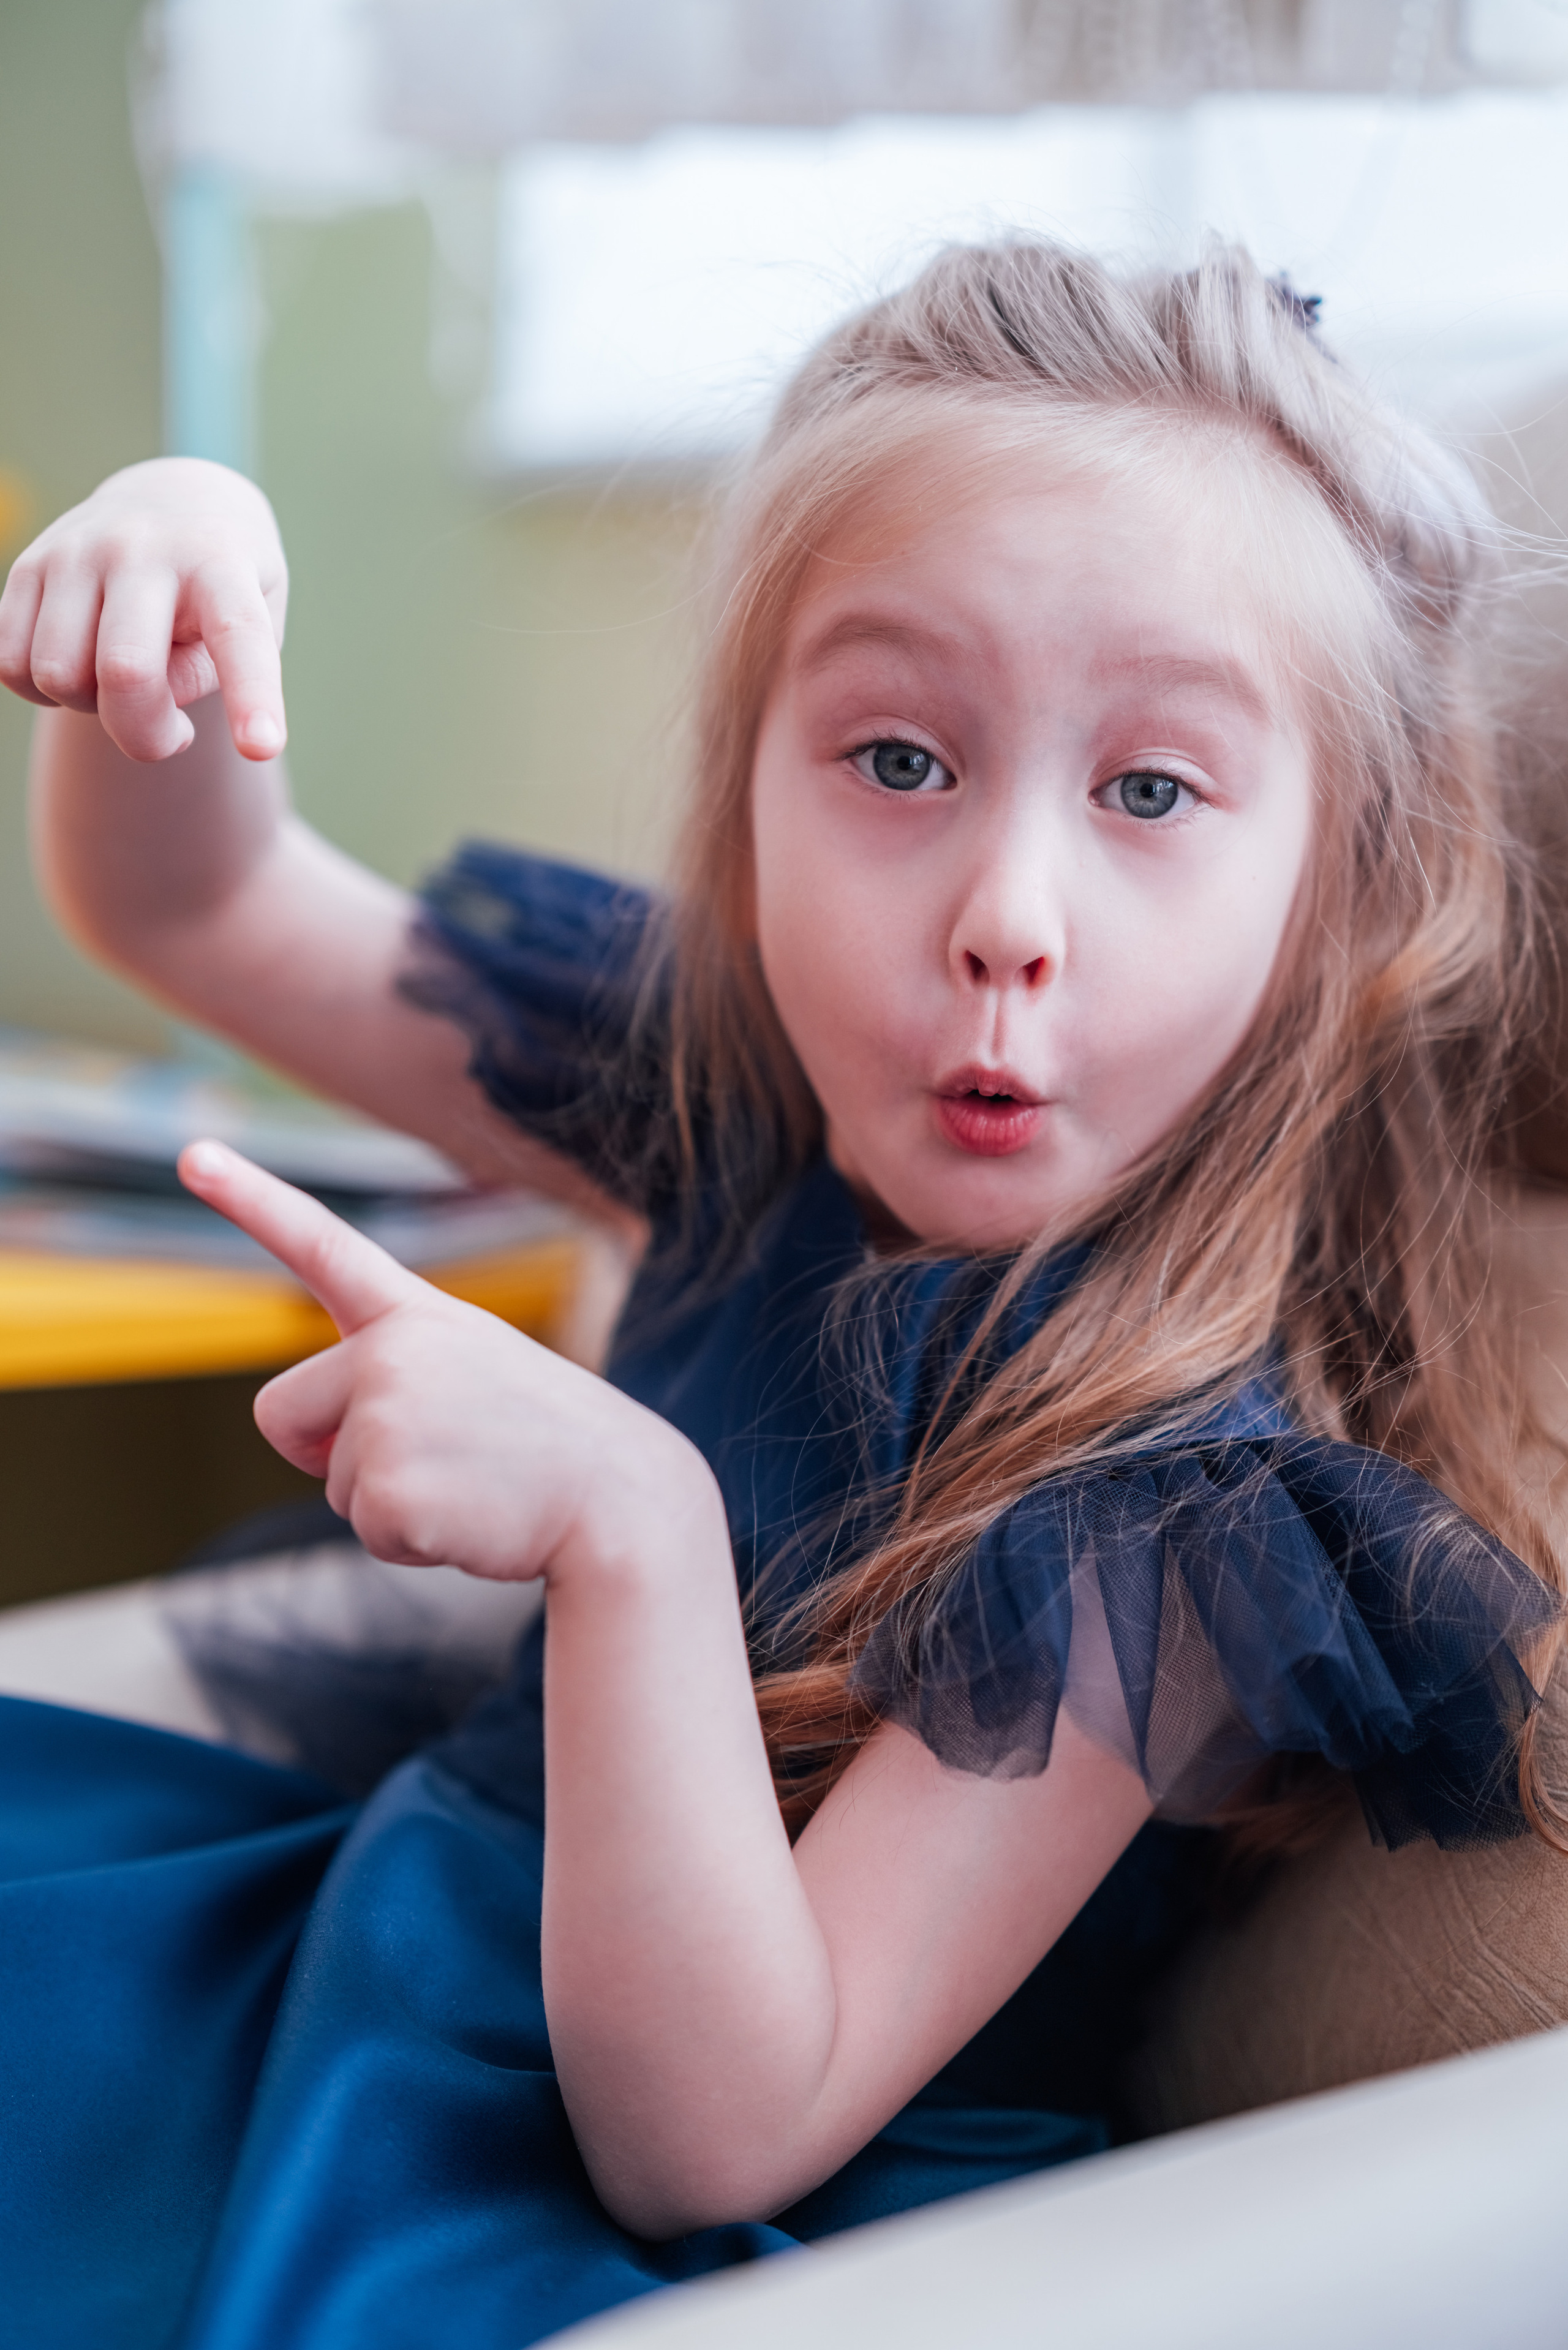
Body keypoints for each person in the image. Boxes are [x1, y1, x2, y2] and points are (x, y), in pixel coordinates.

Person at [0, 239, 1561, 2350]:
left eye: (1151, 792)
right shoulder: (727, 1091)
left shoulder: (1177, 1520)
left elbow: (719, 2129)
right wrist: (188, 574)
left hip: (581, 2181)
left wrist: (631, 1529)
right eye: (899, 761)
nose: (1007, 914)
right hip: (342, 1951)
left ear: (1339, 890)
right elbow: (201, 904)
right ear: (748, 788)